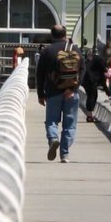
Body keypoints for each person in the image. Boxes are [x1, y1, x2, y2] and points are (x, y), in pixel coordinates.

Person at [36, 24, 83, 163]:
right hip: (72, 93)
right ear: (65, 34)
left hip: (53, 92)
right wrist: (73, 89)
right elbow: (83, 70)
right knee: (70, 123)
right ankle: (65, 154)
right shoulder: (75, 49)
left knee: (52, 121)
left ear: (52, 35)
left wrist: (40, 94)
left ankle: (53, 139)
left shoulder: (47, 51)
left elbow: (40, 74)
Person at [81, 39, 108, 123]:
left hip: (86, 80)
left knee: (91, 96)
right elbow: (104, 70)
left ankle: (90, 114)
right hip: (91, 80)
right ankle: (89, 115)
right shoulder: (99, 59)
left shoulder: (89, 60)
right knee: (92, 96)